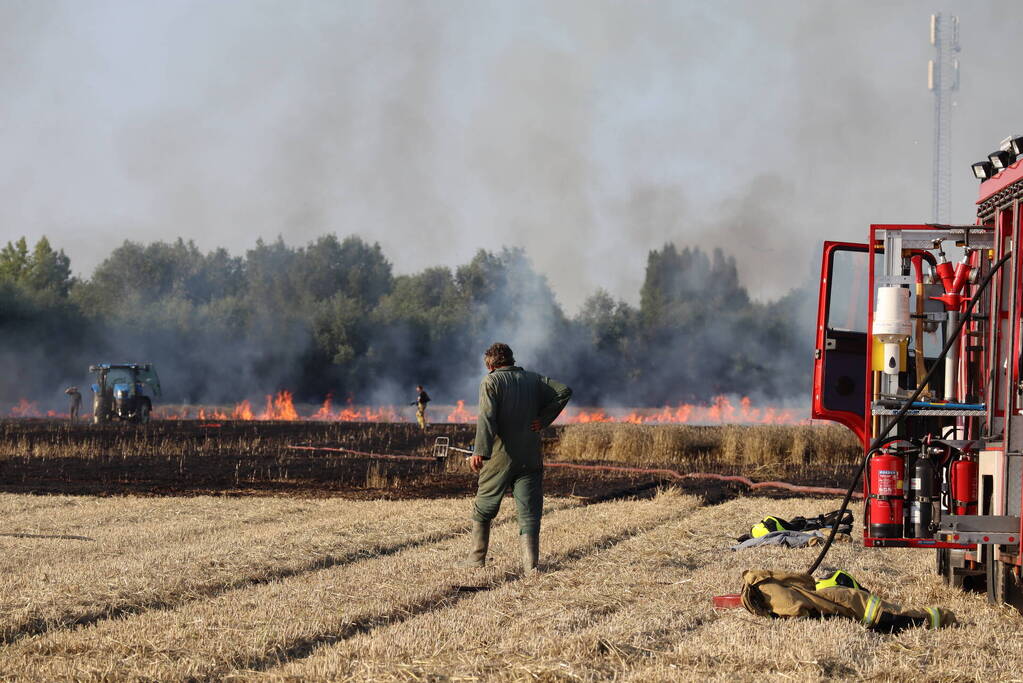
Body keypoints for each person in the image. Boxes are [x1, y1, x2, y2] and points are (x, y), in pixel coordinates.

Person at [458, 342, 572, 572]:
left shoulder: (491, 381)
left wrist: (479, 451)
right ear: (511, 360)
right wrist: (544, 419)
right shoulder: (533, 379)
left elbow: (487, 419)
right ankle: (531, 566)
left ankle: (476, 558)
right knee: (529, 511)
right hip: (529, 456)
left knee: (484, 507)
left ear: (490, 366)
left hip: (500, 457)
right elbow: (564, 391)